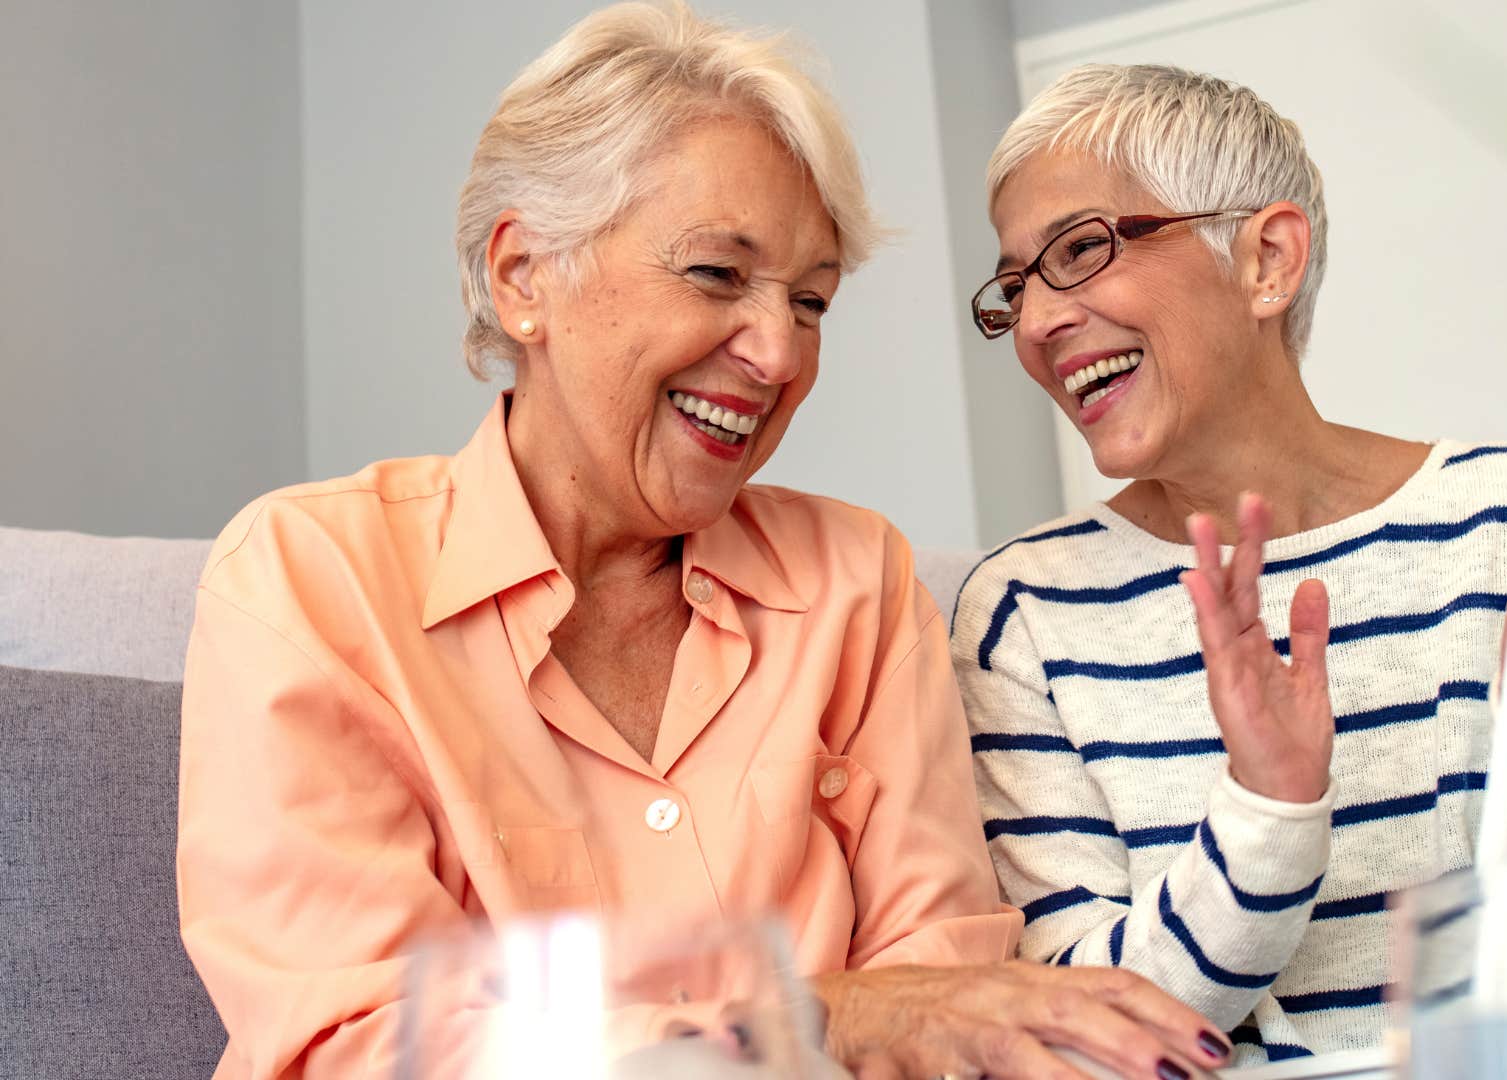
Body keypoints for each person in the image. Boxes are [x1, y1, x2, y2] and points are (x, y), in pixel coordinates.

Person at [177, 10, 1233, 1079]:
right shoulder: (310, 580)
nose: (779, 354)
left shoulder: (855, 584)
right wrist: (831, 1017)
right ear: (523, 276)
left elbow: (952, 994)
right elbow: (356, 1045)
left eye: (812, 302)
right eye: (718, 276)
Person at [951, 62, 1507, 1064]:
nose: (1041, 321)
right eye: (1016, 286)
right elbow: (1080, 1038)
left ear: (1267, 259)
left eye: (1082, 250)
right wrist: (1268, 807)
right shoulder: (1023, 613)